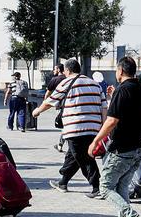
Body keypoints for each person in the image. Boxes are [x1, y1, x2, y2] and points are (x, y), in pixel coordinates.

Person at [88, 58, 141, 217]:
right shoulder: (140, 88)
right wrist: (114, 96)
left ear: (121, 71)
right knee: (122, 188)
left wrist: (96, 140)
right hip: (137, 149)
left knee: (105, 188)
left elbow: (112, 120)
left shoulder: (123, 90)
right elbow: (131, 111)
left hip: (121, 149)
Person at [33, 59, 107, 196]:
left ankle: (97, 187)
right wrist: (103, 126)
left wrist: (37, 111)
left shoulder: (66, 82)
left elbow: (50, 101)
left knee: (84, 157)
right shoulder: (94, 84)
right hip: (94, 128)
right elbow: (104, 106)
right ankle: (63, 182)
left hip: (75, 128)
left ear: (67, 71)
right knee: (73, 155)